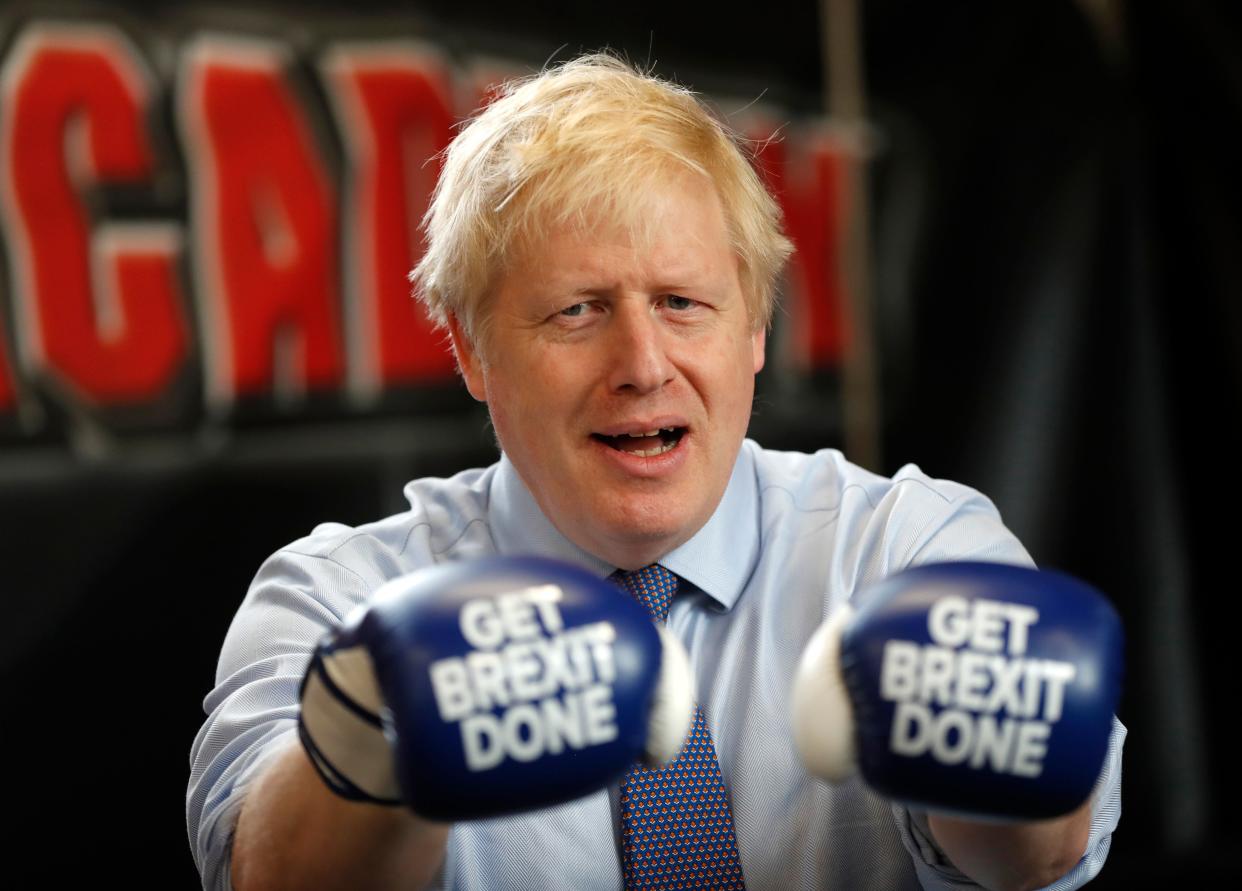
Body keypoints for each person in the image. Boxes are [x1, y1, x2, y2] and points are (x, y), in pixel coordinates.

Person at [187, 53, 1125, 891]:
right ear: (471, 352)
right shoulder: (338, 596)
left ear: (754, 331)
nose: (642, 363)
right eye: (576, 311)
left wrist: (998, 748)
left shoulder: (906, 550)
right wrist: (385, 747)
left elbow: (1037, 857)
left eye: (683, 303)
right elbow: (263, 873)